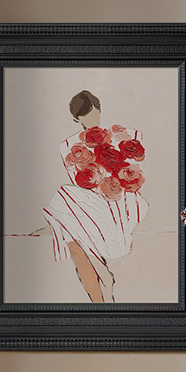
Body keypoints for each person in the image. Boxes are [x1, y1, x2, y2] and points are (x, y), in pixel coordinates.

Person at [42, 89, 148, 303]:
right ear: (76, 119)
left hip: (115, 199)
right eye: (86, 115)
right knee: (64, 206)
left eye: (95, 112)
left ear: (100, 110)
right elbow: (79, 182)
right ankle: (102, 286)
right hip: (90, 198)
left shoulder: (116, 136)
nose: (93, 118)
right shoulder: (69, 146)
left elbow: (134, 160)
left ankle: (104, 285)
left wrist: (122, 148)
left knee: (66, 218)